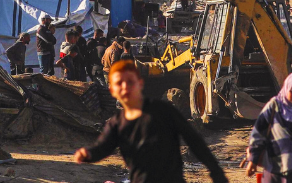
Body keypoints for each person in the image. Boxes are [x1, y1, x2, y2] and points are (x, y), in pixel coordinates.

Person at [75, 60, 229, 183]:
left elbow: (194, 141)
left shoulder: (164, 111)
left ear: (140, 83)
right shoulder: (116, 123)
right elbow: (103, 148)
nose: (125, 87)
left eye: (130, 82)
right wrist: (87, 154)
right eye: (119, 84)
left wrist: (216, 171)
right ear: (112, 90)